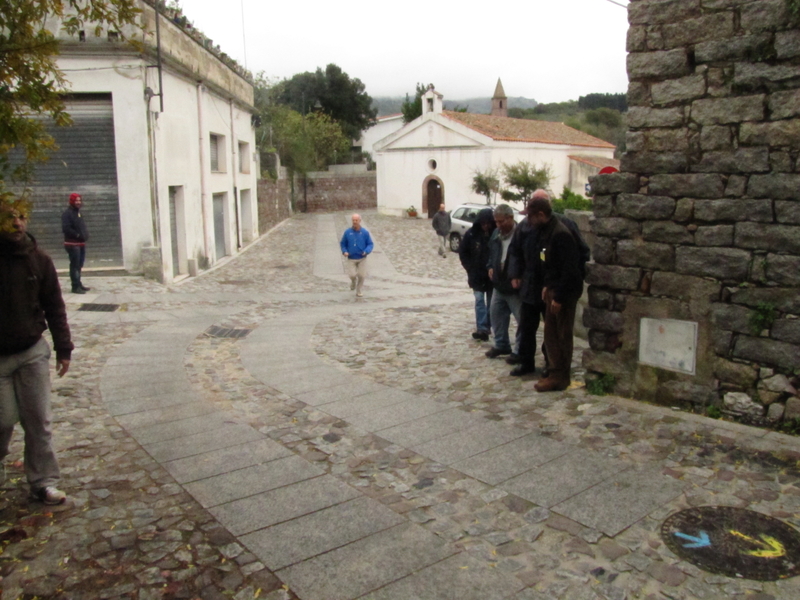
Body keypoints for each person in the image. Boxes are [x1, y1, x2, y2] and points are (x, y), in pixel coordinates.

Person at [0, 205, 73, 505]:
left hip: (31, 351)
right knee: (3, 420)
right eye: (9, 218)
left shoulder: (38, 260)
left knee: (39, 420)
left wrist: (63, 347)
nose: (17, 223)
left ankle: (43, 481)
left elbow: (54, 305)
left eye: (21, 217)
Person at [527, 195, 584, 392]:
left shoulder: (561, 234)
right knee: (550, 333)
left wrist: (559, 296)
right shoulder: (546, 232)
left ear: (541, 215)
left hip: (565, 292)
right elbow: (549, 263)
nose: (529, 222)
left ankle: (561, 376)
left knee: (561, 335)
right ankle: (554, 371)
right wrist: (546, 285)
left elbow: (570, 270)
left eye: (531, 217)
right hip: (554, 288)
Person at [485, 204, 522, 362]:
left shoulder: (521, 234)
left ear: (510, 218)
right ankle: (501, 344)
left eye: (501, 222)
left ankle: (520, 350)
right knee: (496, 314)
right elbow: (492, 252)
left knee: (522, 319)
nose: (498, 225)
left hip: (515, 285)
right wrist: (490, 266)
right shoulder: (495, 234)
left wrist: (520, 275)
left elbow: (533, 256)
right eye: (496, 222)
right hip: (499, 283)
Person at [459, 208, 495, 341]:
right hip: (476, 275)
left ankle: (487, 326)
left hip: (491, 276)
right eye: (483, 223)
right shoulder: (471, 235)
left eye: (488, 223)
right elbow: (463, 253)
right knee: (479, 300)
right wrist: (470, 268)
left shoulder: (495, 235)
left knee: (491, 303)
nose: (486, 226)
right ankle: (482, 328)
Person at [61, 192, 90, 294]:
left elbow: (81, 226)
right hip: (72, 244)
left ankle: (79, 283)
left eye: (79, 200)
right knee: (74, 265)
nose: (78, 202)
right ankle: (75, 286)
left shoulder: (78, 213)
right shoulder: (67, 214)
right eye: (76, 200)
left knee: (79, 264)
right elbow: (66, 228)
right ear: (72, 201)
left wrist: (85, 235)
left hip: (80, 244)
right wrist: (77, 235)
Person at [340, 213, 374, 298]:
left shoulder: (365, 232)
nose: (355, 222)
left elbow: (370, 244)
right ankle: (353, 281)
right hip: (351, 258)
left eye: (356, 220)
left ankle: (359, 290)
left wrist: (366, 251)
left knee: (362, 275)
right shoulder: (347, 232)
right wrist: (344, 251)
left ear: (360, 221)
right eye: (353, 220)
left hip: (362, 257)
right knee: (352, 275)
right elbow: (343, 243)